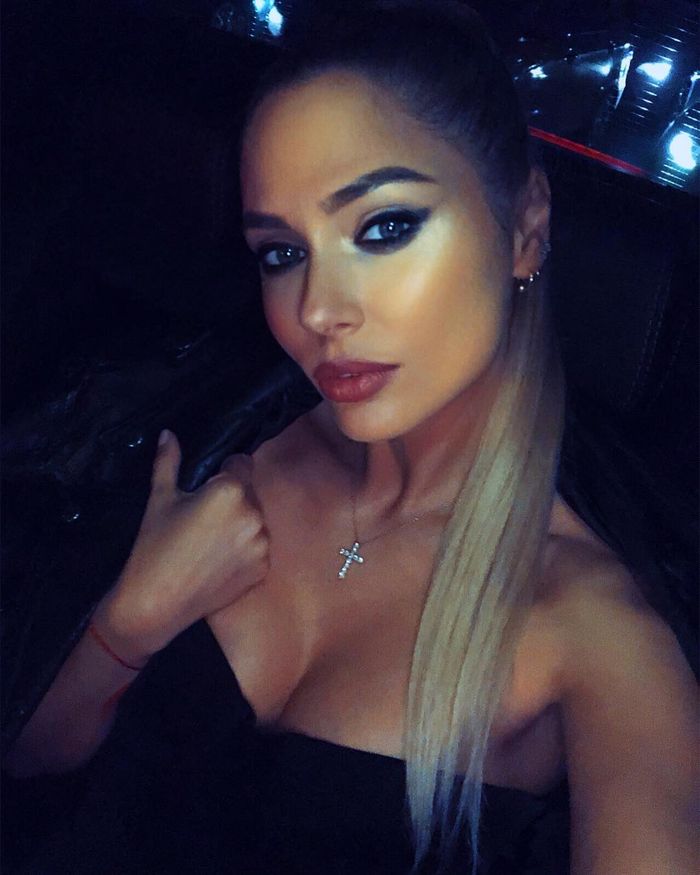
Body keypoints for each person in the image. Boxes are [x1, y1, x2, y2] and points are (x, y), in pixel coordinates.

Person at [4, 2, 697, 873]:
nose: (319, 310)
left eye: (384, 227)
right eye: (282, 253)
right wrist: (128, 625)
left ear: (525, 228)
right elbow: (28, 763)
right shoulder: (218, 441)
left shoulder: (600, 636)